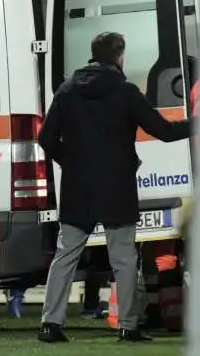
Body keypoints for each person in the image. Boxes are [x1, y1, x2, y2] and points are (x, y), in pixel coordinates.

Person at [37, 32, 191, 343]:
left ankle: (50, 324)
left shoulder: (67, 90)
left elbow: (45, 139)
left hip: (78, 186)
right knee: (123, 258)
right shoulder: (125, 91)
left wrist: (72, 163)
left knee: (66, 255)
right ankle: (128, 326)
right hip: (117, 185)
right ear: (120, 56)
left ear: (93, 55)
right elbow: (163, 131)